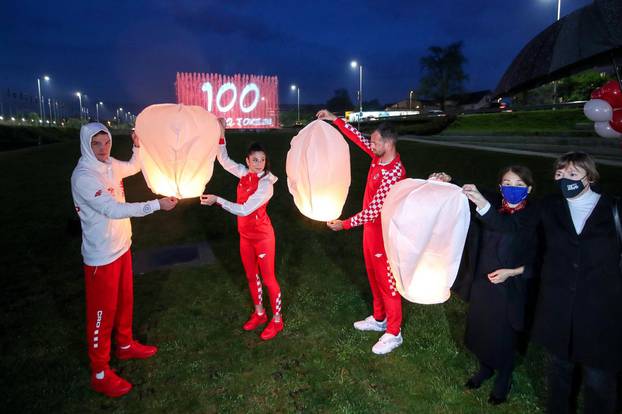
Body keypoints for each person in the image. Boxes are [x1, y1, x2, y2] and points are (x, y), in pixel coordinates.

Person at [463, 152, 622, 414]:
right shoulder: (549, 208)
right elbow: (515, 228)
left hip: (600, 315)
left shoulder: (613, 210)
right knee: (559, 378)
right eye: (559, 174)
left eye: (572, 174)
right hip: (558, 313)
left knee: (598, 383)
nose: (564, 180)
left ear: (590, 177)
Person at [71, 123, 178, 398]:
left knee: (125, 301)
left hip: (121, 248)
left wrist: (138, 146)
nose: (103, 149)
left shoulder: (109, 164)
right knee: (101, 315)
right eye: (96, 144)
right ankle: (99, 372)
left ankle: (126, 344)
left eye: (106, 142)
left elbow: (132, 166)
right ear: (86, 145)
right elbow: (111, 209)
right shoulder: (84, 176)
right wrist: (156, 204)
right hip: (101, 257)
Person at [434, 166, 537, 404]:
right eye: (507, 183)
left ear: (529, 189)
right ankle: (486, 368)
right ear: (500, 186)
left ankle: (504, 375)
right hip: (483, 280)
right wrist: (450, 178)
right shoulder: (494, 201)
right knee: (482, 329)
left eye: (520, 185)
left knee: (505, 335)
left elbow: (509, 230)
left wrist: (512, 272)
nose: (513, 189)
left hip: (511, 286)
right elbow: (471, 191)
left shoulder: (532, 216)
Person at [316, 109, 406, 355]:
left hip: (383, 234)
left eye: (375, 142)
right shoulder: (378, 156)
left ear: (388, 144)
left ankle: (394, 332)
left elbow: (373, 211)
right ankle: (379, 319)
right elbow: (357, 138)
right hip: (370, 233)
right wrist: (335, 120)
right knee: (373, 275)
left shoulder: (394, 173)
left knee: (387, 282)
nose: (371, 145)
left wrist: (343, 224)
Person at [200, 122, 283, 341]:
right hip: (245, 238)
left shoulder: (267, 185)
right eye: (254, 160)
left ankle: (277, 320)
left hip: (263, 238)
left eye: (262, 159)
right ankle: (259, 313)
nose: (259, 164)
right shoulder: (244, 173)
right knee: (250, 275)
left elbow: (245, 209)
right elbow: (224, 160)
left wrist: (217, 200)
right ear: (247, 161)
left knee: (268, 279)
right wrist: (221, 135)